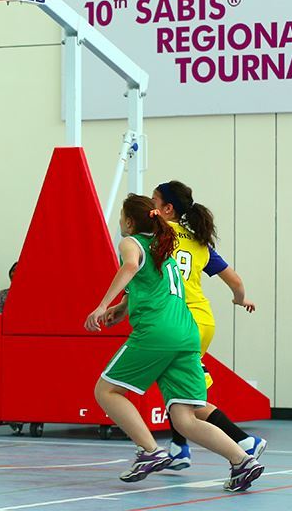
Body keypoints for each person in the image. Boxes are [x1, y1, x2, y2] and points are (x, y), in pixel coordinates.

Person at [86, 194, 264, 492]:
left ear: (129, 222)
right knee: (184, 418)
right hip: (187, 332)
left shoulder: (131, 242)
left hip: (158, 331)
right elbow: (156, 286)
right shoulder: (164, 246)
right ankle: (242, 460)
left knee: (106, 390)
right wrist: (124, 307)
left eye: (121, 218)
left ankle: (149, 450)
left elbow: (130, 266)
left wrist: (103, 305)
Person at [125, 181, 264, 468]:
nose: (150, 207)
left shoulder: (156, 236)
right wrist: (240, 300)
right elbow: (236, 281)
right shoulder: (198, 241)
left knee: (185, 396)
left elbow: (144, 275)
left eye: (154, 201)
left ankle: (241, 442)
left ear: (167, 208)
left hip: (178, 319)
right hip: (202, 319)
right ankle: (180, 448)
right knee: (177, 390)